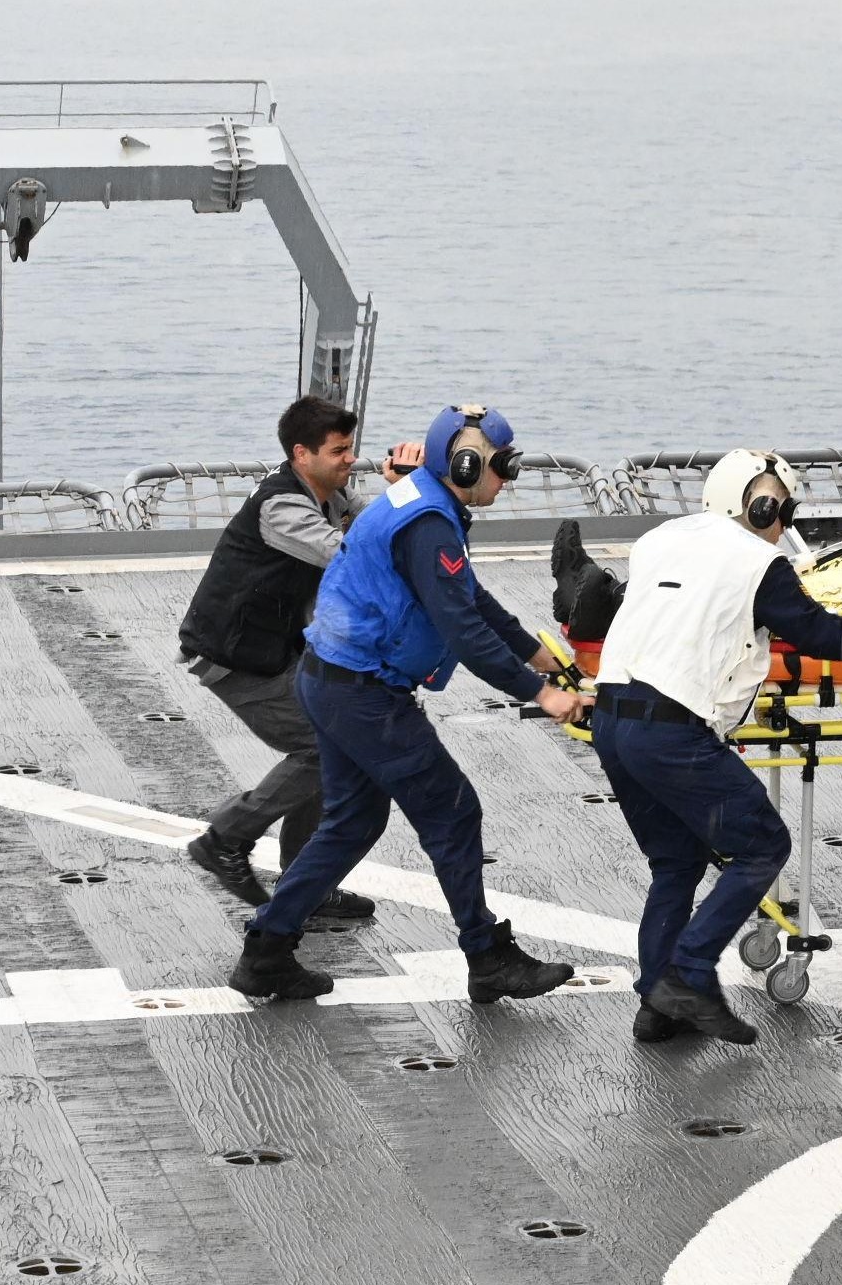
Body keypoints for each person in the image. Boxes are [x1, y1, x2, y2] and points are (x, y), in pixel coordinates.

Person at [227, 405, 589, 1006]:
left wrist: (532, 652)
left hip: (332, 680)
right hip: (362, 693)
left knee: (352, 823)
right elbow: (464, 631)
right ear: (467, 464)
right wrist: (541, 693)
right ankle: (486, 956)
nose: (508, 477)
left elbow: (467, 594)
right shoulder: (428, 523)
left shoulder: (426, 500)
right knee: (452, 812)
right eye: (503, 466)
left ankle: (266, 951)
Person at [595, 450, 842, 1046]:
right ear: (761, 507)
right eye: (782, 509)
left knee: (675, 863)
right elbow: (821, 636)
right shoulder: (761, 560)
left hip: (613, 720)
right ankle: (691, 973)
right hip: (670, 729)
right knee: (763, 846)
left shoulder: (658, 539)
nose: (784, 521)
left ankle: (658, 1005)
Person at [175, 395, 375, 922]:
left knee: (335, 749)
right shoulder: (282, 506)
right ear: (301, 454)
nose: (350, 459)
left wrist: (412, 494)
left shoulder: (332, 495)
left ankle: (303, 882)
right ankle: (225, 838)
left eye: (351, 448)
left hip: (274, 648)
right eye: (339, 451)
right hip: (234, 654)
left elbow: (376, 525)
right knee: (322, 748)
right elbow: (347, 554)